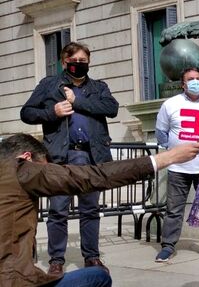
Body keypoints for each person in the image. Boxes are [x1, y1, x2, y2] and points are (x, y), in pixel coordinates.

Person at [0, 133, 199, 287]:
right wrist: (166, 158)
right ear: (26, 157)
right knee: (98, 276)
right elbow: (93, 176)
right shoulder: (21, 169)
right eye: (43, 167)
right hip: (12, 280)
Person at [19, 42, 119, 275]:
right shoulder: (49, 85)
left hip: (91, 156)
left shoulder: (98, 87)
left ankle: (91, 257)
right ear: (64, 62)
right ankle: (56, 260)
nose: (79, 66)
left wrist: (77, 102)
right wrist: (51, 113)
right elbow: (26, 113)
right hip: (60, 157)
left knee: (90, 210)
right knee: (58, 211)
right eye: (74, 62)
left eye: (83, 62)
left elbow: (111, 108)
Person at [154, 67, 199, 262]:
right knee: (174, 209)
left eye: (198, 78)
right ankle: (167, 246)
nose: (195, 82)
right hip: (178, 167)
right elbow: (161, 133)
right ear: (182, 84)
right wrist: (173, 152)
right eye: (190, 79)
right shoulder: (170, 104)